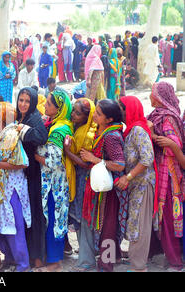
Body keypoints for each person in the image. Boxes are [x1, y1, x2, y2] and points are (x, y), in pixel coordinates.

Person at [79, 99, 127, 272]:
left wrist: (95, 160)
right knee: (104, 225)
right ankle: (108, 259)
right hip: (102, 187)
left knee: (107, 227)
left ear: (109, 119)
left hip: (108, 191)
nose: (94, 115)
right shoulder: (103, 131)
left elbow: (120, 164)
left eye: (99, 114)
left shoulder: (111, 137)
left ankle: (106, 265)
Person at [0, 102, 31, 272]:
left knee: (15, 225)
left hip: (13, 187)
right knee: (7, 224)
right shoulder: (2, 132)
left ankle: (23, 264)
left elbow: (23, 162)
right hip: (6, 186)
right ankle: (13, 258)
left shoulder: (11, 134)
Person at [33, 90, 73, 272]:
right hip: (50, 183)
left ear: (58, 109)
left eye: (49, 104)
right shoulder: (54, 123)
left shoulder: (59, 130)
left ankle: (55, 263)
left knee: (55, 220)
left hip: (54, 184)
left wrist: (36, 157)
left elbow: (54, 161)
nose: (45, 105)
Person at [147, 81, 184, 271]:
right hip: (158, 170)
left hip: (168, 175)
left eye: (153, 93)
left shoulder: (167, 118)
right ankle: (159, 252)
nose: (151, 97)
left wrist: (155, 137)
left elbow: (173, 145)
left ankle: (175, 260)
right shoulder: (156, 115)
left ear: (161, 97)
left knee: (168, 216)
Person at [116, 96, 156, 272]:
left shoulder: (138, 130)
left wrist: (128, 177)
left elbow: (147, 158)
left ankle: (139, 267)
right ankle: (136, 262)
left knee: (139, 224)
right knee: (134, 222)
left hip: (142, 184)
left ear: (129, 110)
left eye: (121, 108)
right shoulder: (130, 130)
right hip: (134, 185)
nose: (119, 112)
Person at [13, 87, 48, 269]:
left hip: (33, 173)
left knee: (34, 213)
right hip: (20, 173)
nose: (23, 104)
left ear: (32, 102)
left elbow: (41, 136)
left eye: (27, 101)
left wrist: (23, 130)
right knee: (24, 213)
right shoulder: (18, 116)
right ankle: (26, 253)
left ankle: (37, 256)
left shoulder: (33, 117)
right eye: (21, 100)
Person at [63, 99, 96, 245]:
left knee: (83, 215)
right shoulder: (76, 127)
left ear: (87, 117)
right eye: (73, 111)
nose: (73, 115)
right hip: (76, 176)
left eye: (78, 113)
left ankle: (87, 250)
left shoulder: (88, 135)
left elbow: (84, 163)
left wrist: (68, 152)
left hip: (84, 178)